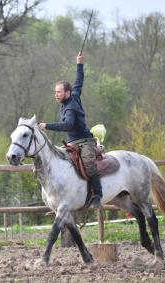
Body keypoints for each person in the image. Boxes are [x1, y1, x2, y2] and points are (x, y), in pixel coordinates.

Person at [38, 52, 102, 209]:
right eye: (55, 92)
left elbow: (67, 125)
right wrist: (79, 64)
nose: (56, 95)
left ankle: (97, 195)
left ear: (67, 93)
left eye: (58, 92)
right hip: (72, 143)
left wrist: (47, 126)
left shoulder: (71, 107)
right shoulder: (74, 94)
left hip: (85, 142)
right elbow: (79, 81)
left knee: (88, 163)